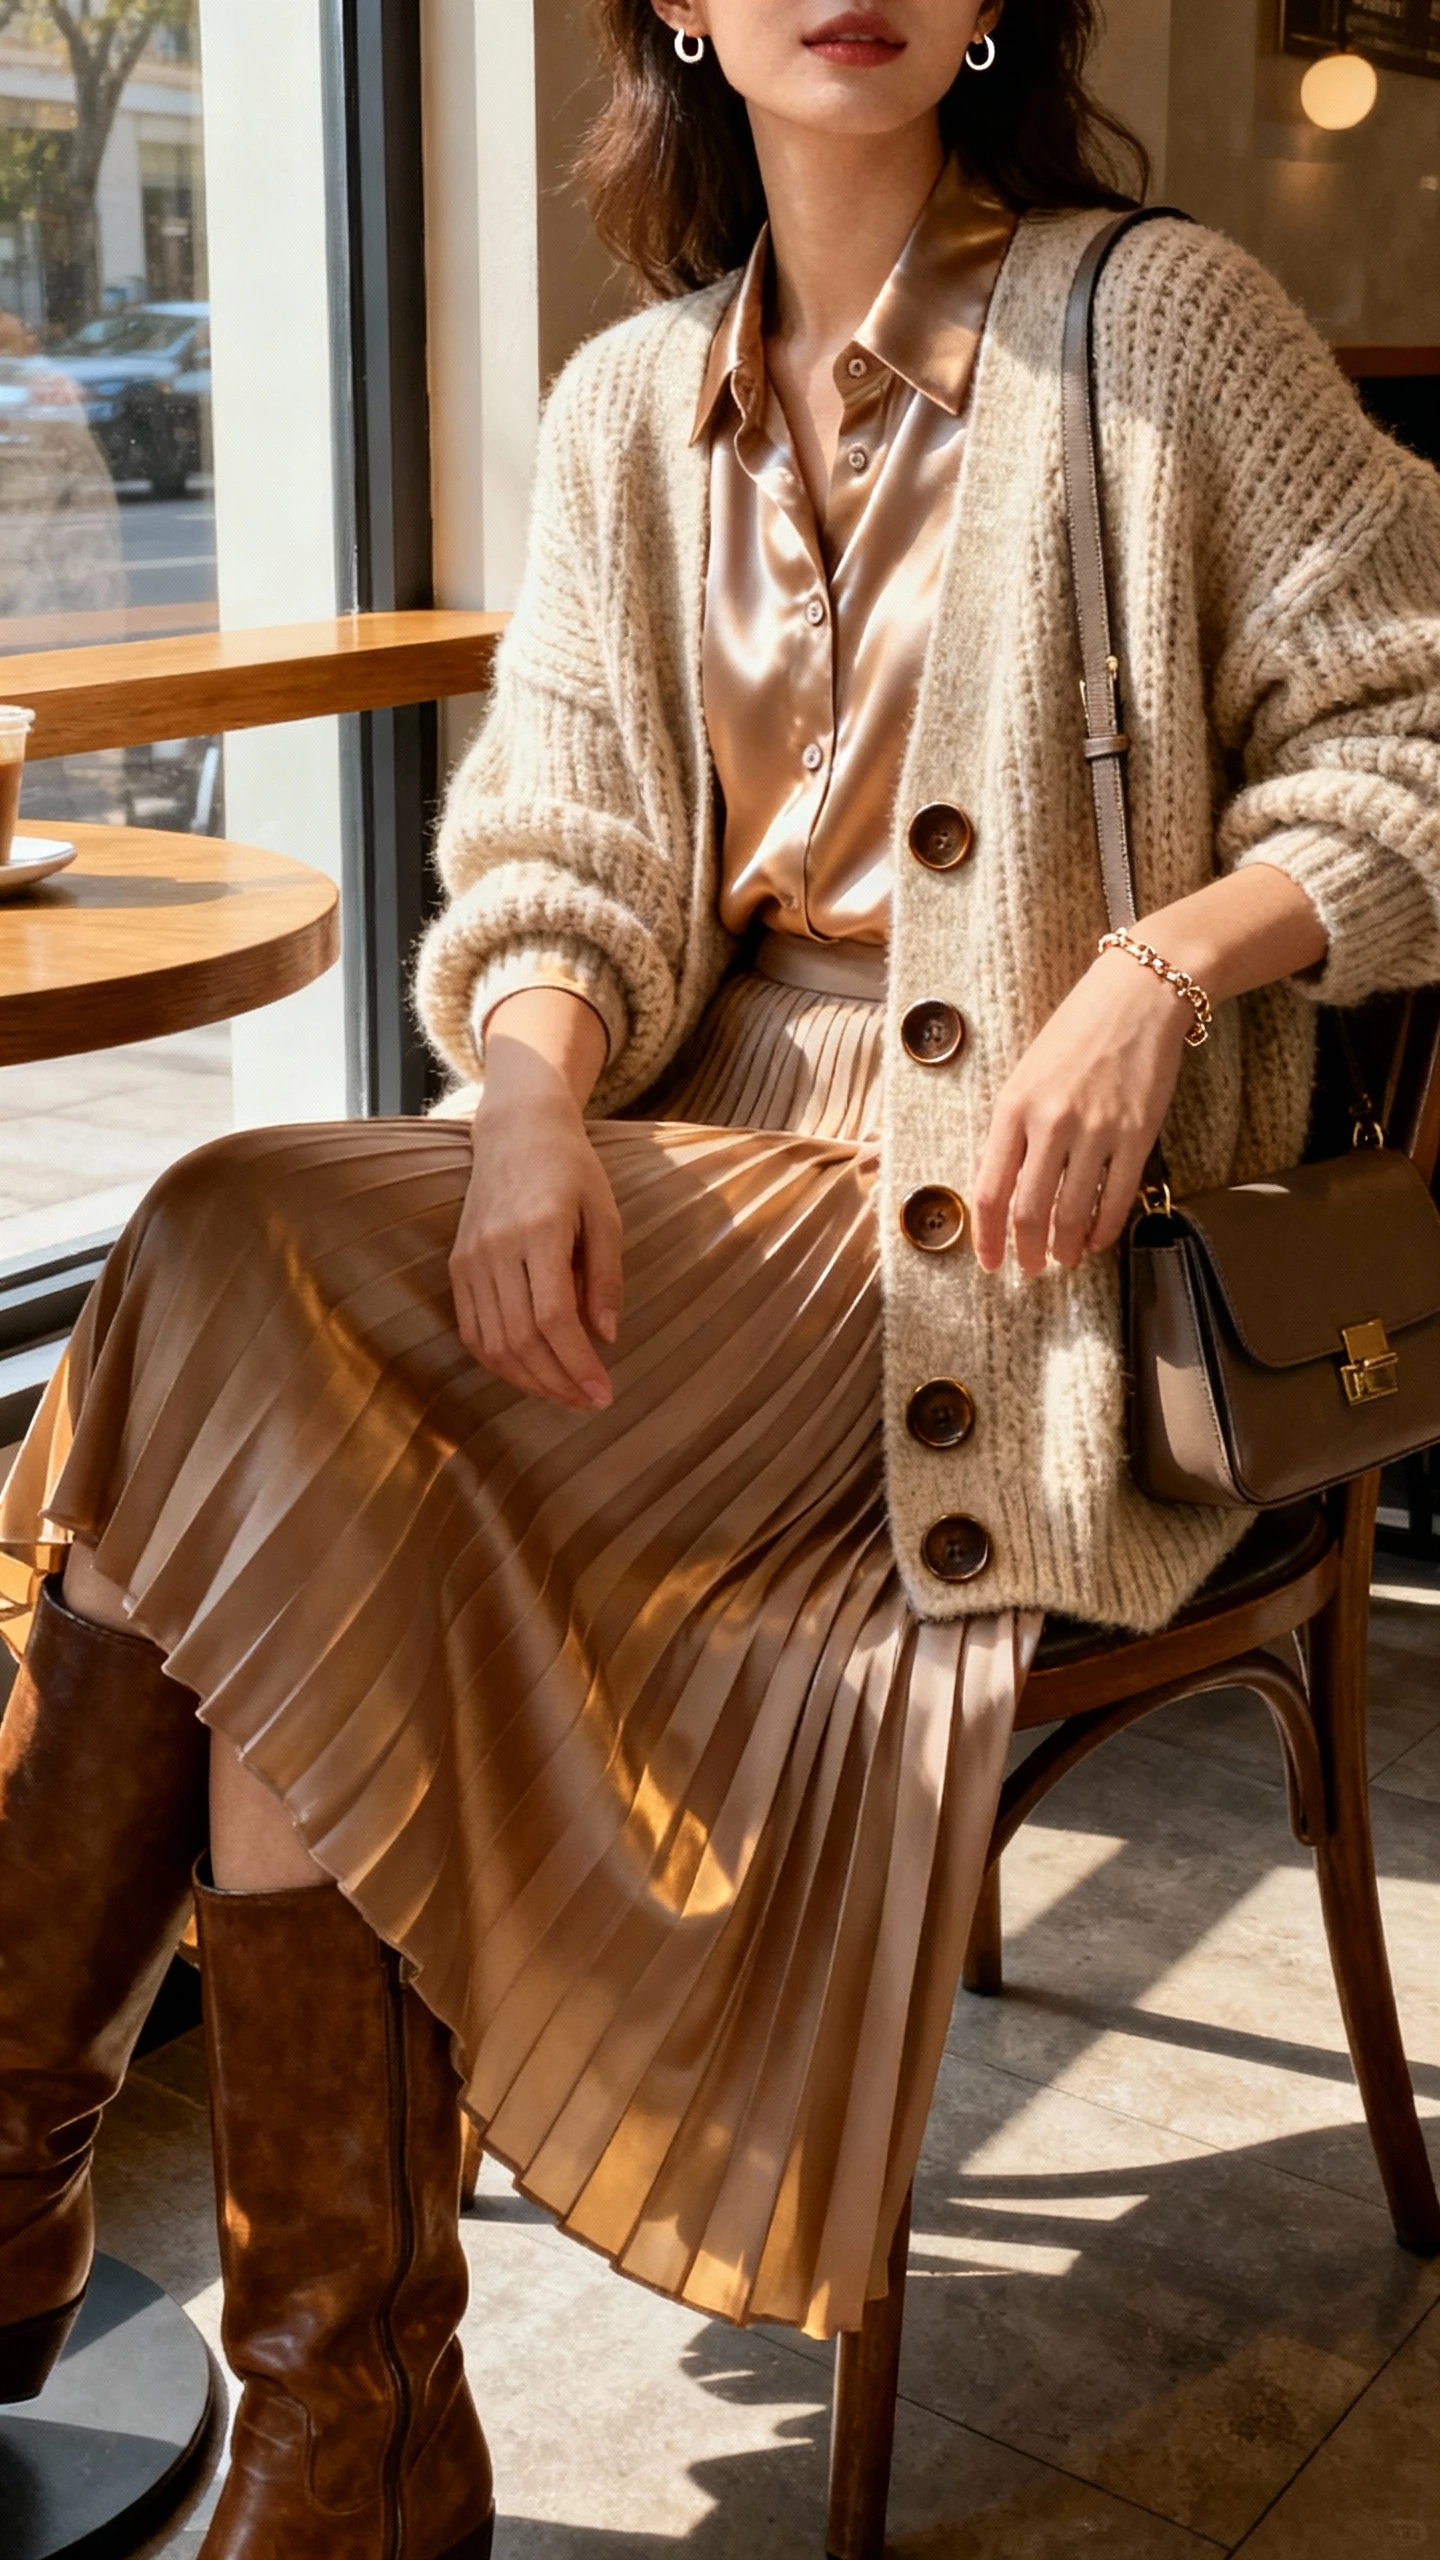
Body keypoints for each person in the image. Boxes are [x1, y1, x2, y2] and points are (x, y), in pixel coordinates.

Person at [2, 2, 1438, 2553]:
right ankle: (339, 2410)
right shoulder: (619, 405)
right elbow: (556, 840)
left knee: (222, 1282)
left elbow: (1416, 730)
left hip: (999, 1259)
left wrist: (1164, 969)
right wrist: (532, 1099)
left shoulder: (1160, 320)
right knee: (256, 1419)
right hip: (687, 1212)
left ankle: (151, 2288)